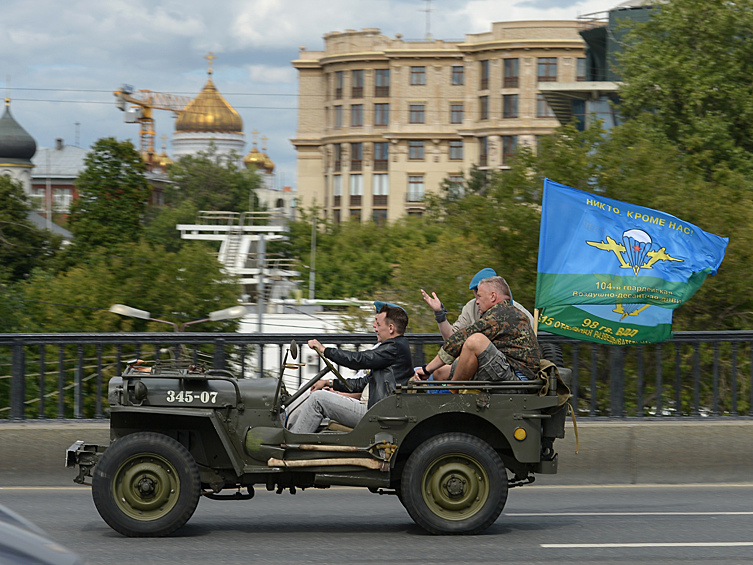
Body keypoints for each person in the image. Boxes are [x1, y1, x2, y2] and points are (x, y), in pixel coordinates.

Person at [288, 303, 413, 433]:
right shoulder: (395, 347)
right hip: (377, 408)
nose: (375, 328)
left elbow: (358, 359)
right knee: (317, 394)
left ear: (391, 328)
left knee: (317, 399)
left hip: (376, 412)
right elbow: (361, 383)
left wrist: (324, 350)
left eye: (379, 325)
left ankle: (292, 443)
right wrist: (329, 383)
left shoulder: (393, 348)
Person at [414, 276, 539, 387]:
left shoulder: (501, 314)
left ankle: (452, 390)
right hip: (508, 372)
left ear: (493, 296)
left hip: (518, 381)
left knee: (475, 341)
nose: (477, 301)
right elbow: (456, 341)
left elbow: (460, 339)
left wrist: (426, 369)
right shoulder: (506, 313)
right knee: (440, 371)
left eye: (479, 296)